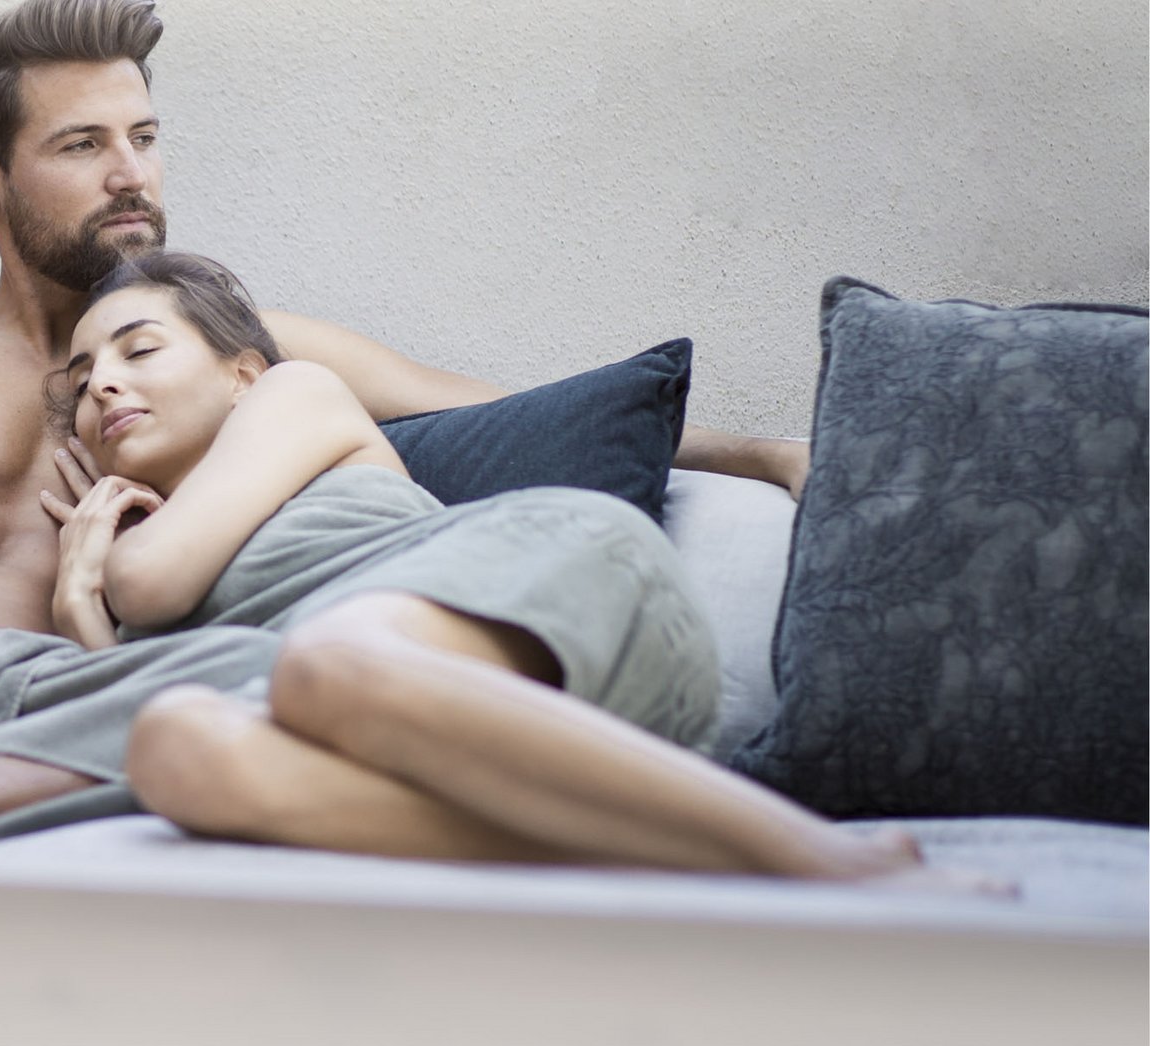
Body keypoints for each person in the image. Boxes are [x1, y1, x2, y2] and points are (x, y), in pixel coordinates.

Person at [0, 0, 811, 840]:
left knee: (245, 671)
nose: (129, 172)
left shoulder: (232, 349)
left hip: (65, 679)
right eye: (83, 145)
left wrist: (757, 451)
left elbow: (511, 409)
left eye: (142, 136)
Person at [48, 250, 963, 882]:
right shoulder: (167, 564)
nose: (106, 384)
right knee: (175, 748)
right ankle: (673, 854)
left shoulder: (295, 393)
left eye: (139, 349)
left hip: (557, 597)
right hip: (446, 731)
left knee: (330, 659)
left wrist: (103, 575)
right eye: (83, 383)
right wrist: (78, 616)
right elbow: (133, 711)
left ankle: (819, 854)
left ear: (242, 373)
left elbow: (148, 580)